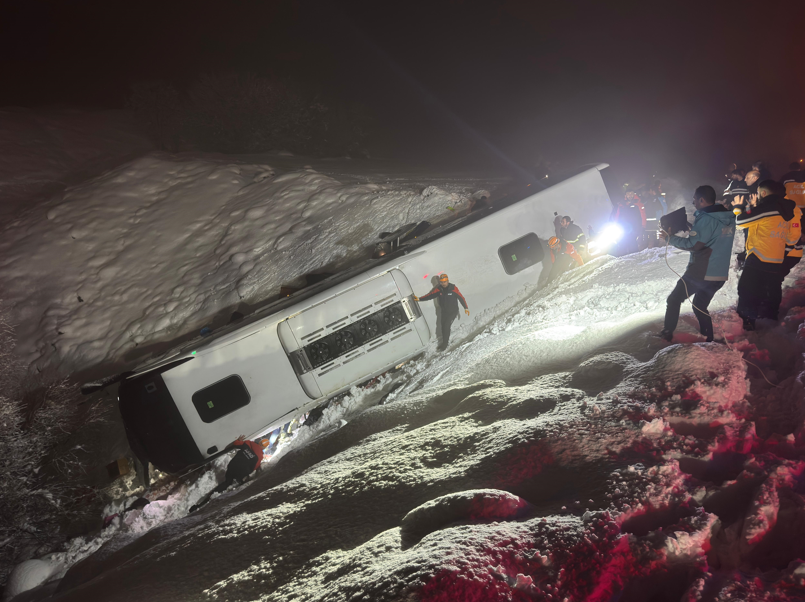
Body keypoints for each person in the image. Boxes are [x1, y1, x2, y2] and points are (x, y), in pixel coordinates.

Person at [658, 185, 736, 342]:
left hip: (702, 272)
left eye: (694, 198)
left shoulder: (707, 218)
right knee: (699, 305)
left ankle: (666, 334)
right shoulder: (726, 217)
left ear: (701, 199)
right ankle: (708, 339)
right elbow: (711, 236)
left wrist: (669, 238)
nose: (693, 201)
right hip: (718, 273)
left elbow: (694, 245)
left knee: (674, 300)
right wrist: (693, 229)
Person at [734, 180, 797, 330]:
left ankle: (747, 324)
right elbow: (788, 237)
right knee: (768, 288)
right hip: (776, 257)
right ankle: (768, 317)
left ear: (763, 193)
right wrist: (752, 207)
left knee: (746, 290)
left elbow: (741, 222)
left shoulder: (767, 207)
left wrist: (738, 208)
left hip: (759, 256)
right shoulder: (786, 209)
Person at [189, 435, 269, 512]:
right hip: (240, 473)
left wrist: (239, 440)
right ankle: (219, 496)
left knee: (227, 481)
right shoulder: (260, 456)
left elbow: (236, 444)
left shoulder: (249, 443)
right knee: (233, 482)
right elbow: (253, 468)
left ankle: (204, 502)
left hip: (232, 466)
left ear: (259, 442)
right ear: (264, 447)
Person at [414, 273, 469, 350]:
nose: (443, 283)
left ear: (448, 281)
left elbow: (461, 297)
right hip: (444, 312)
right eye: (442, 282)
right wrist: (419, 299)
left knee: (446, 326)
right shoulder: (439, 289)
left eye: (445, 282)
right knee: (443, 327)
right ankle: (444, 342)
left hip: (453, 311)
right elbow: (430, 295)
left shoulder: (453, 288)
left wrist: (465, 307)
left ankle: (445, 345)